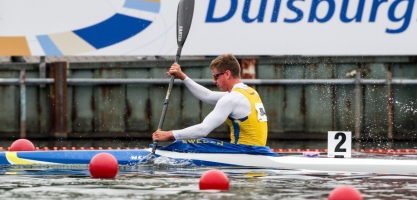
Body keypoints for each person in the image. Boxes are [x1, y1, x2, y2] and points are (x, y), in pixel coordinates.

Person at [152, 54, 268, 146]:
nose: (214, 81)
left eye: (215, 76)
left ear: (227, 74)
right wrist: (182, 77)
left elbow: (203, 130)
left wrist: (169, 134)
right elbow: (208, 95)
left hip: (244, 153)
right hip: (258, 151)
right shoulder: (250, 92)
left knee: (185, 144)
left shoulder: (231, 99)